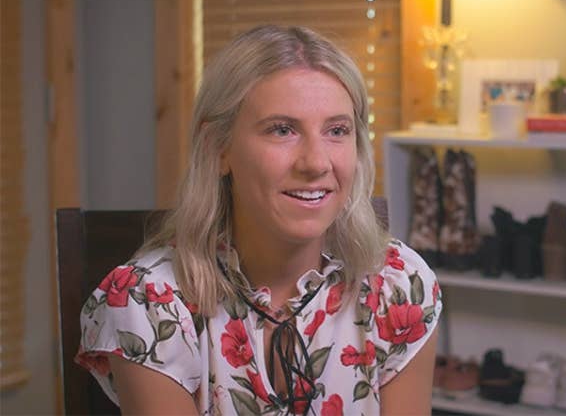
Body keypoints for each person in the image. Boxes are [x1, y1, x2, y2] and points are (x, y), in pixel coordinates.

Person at [75, 25, 443, 416]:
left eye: (337, 130)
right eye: (282, 130)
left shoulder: (399, 287)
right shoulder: (148, 303)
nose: (316, 163)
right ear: (218, 148)